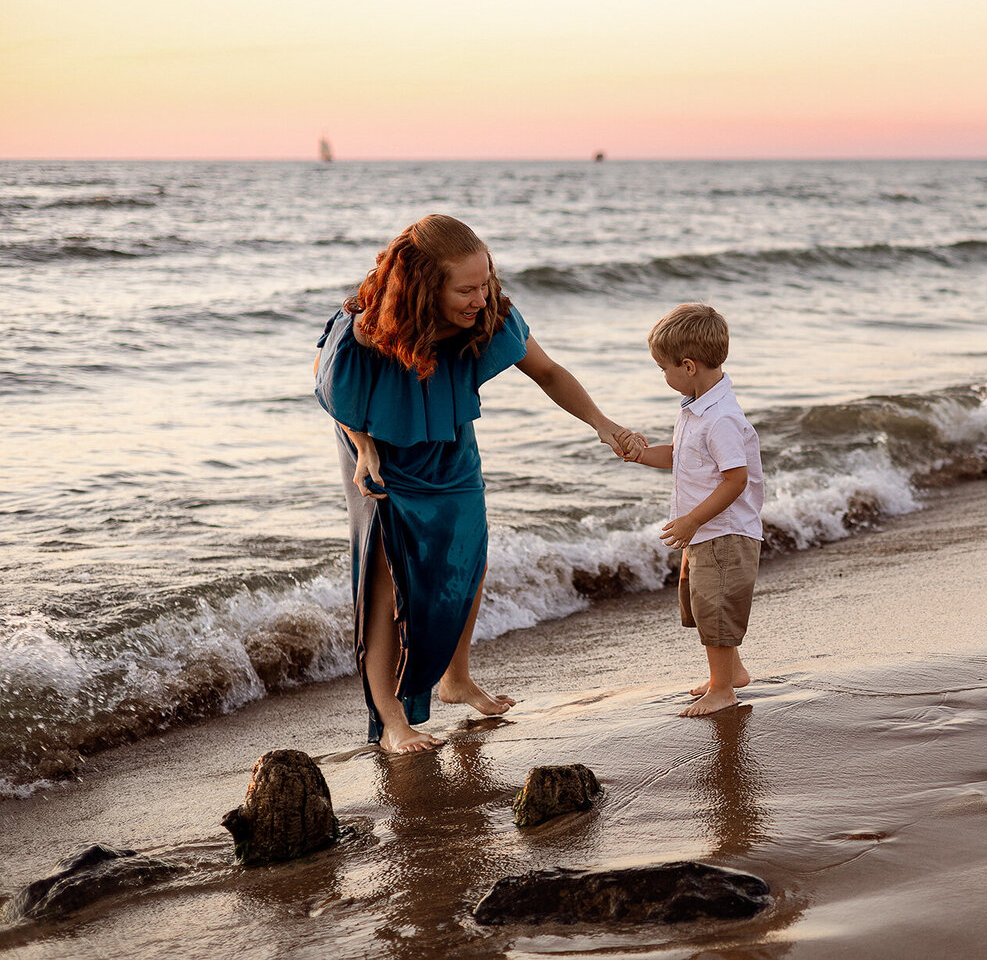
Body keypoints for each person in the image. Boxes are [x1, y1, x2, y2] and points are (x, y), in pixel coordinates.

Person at [315, 215, 641, 754]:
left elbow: (549, 371)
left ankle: (455, 677)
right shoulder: (366, 328)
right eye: (465, 288)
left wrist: (603, 424)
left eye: (485, 281)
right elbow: (330, 385)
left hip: (450, 448)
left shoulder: (490, 315)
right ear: (424, 288)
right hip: (379, 455)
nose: (480, 297)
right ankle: (392, 718)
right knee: (384, 578)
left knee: (468, 554)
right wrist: (362, 444)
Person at [624, 304, 764, 717]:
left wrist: (692, 520)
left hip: (724, 531)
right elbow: (682, 456)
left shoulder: (720, 417)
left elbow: (735, 480)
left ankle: (723, 689)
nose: (662, 375)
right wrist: (640, 454)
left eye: (662, 368)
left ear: (687, 366)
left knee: (718, 606)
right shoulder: (696, 406)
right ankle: (731, 671)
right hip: (706, 532)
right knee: (703, 603)